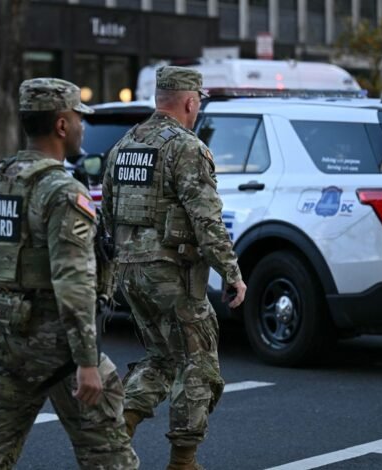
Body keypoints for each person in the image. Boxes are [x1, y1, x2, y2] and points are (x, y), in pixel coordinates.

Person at [0, 78, 138, 470]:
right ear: (62, 125)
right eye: (79, 119)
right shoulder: (62, 192)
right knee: (109, 456)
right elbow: (74, 281)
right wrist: (87, 361)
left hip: (5, 334)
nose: (83, 128)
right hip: (56, 346)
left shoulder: (0, 179)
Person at [102, 66, 247, 470]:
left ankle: (116, 433)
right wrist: (232, 273)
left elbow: (107, 216)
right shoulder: (186, 147)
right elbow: (207, 219)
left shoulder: (124, 145)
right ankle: (183, 461)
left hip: (130, 272)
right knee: (198, 364)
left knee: (163, 359)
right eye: (198, 100)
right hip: (170, 272)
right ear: (190, 101)